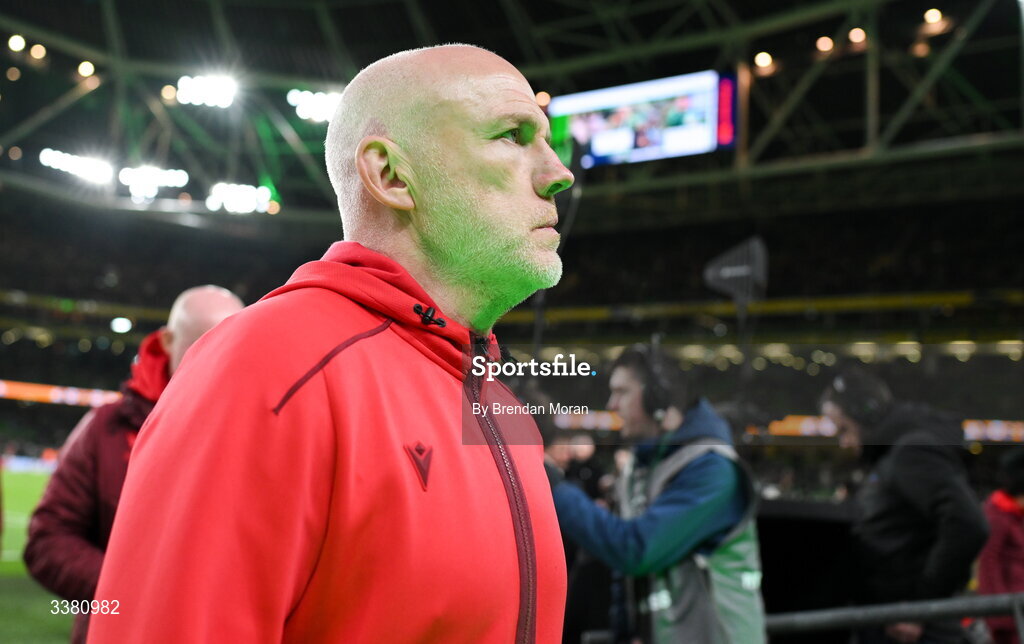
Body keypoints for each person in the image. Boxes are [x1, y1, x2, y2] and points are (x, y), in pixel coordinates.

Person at [88, 44, 575, 643]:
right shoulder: (271, 364)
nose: (558, 173)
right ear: (391, 175)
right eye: (511, 134)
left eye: (548, 141)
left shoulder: (495, 395)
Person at [23, 285, 243, 644]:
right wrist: (124, 595)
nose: (214, 361)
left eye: (228, 346)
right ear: (167, 341)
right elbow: (48, 539)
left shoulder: (263, 427)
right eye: (199, 344)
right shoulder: (106, 427)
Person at [545, 345, 766, 644]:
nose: (612, 404)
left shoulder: (712, 470)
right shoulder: (645, 462)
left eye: (622, 392)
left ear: (658, 399)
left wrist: (554, 486)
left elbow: (636, 549)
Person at [821, 367, 989, 644]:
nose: (844, 442)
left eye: (844, 429)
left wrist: (920, 607)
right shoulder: (892, 456)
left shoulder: (911, 452)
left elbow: (968, 524)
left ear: (867, 416)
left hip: (915, 630)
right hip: (899, 621)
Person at [978, 448, 1024, 644]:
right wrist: (1000, 619)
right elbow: (988, 565)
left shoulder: (1017, 514)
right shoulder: (997, 515)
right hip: (1011, 618)